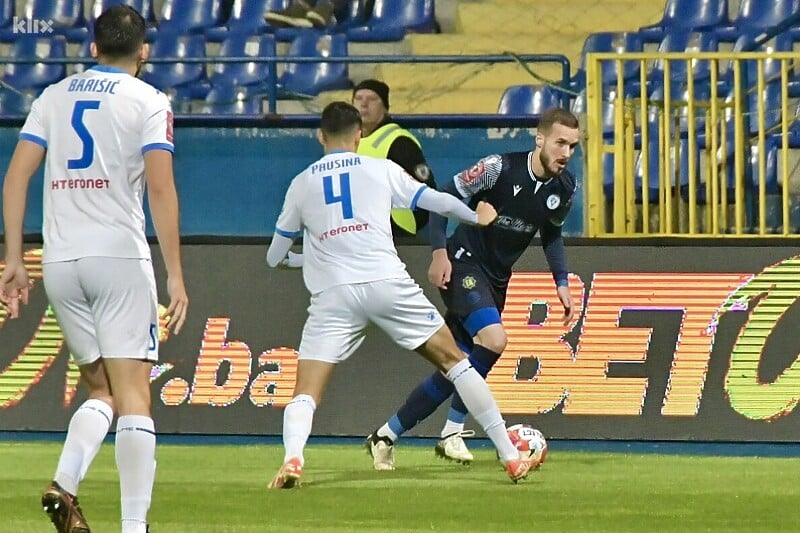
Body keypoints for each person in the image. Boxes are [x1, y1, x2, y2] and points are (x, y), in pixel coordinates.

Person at [265, 101, 534, 488]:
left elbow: (275, 257)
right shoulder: (379, 168)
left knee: (306, 391)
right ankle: (510, 456)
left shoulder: (301, 183)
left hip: (333, 296)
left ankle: (292, 458)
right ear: (359, 134)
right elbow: (435, 201)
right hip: (386, 282)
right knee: (457, 363)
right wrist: (476, 216)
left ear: (320, 136)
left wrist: (303, 260)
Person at [0, 6, 188, 533]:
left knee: (100, 388)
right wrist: (174, 273)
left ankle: (64, 485)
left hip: (60, 262)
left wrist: (15, 259)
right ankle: (134, 527)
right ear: (144, 51)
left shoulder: (52, 97)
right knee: (134, 396)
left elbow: (15, 180)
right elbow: (160, 188)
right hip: (119, 258)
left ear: (92, 48)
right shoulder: (150, 100)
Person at [365, 107, 581, 468]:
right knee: (495, 340)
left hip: (497, 279)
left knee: (456, 366)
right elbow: (439, 200)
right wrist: (439, 254)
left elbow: (552, 233)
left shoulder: (565, 187)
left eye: (573, 146)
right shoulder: (498, 168)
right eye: (560, 143)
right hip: (464, 263)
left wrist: (561, 282)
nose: (566, 153)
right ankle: (452, 430)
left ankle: (386, 434)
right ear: (539, 139)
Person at [353, 79, 437, 237]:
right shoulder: (348, 140)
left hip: (393, 232)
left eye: (372, 99)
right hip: (357, 231)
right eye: (358, 99)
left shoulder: (399, 141)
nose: (363, 104)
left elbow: (427, 191)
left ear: (384, 107)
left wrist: (405, 230)